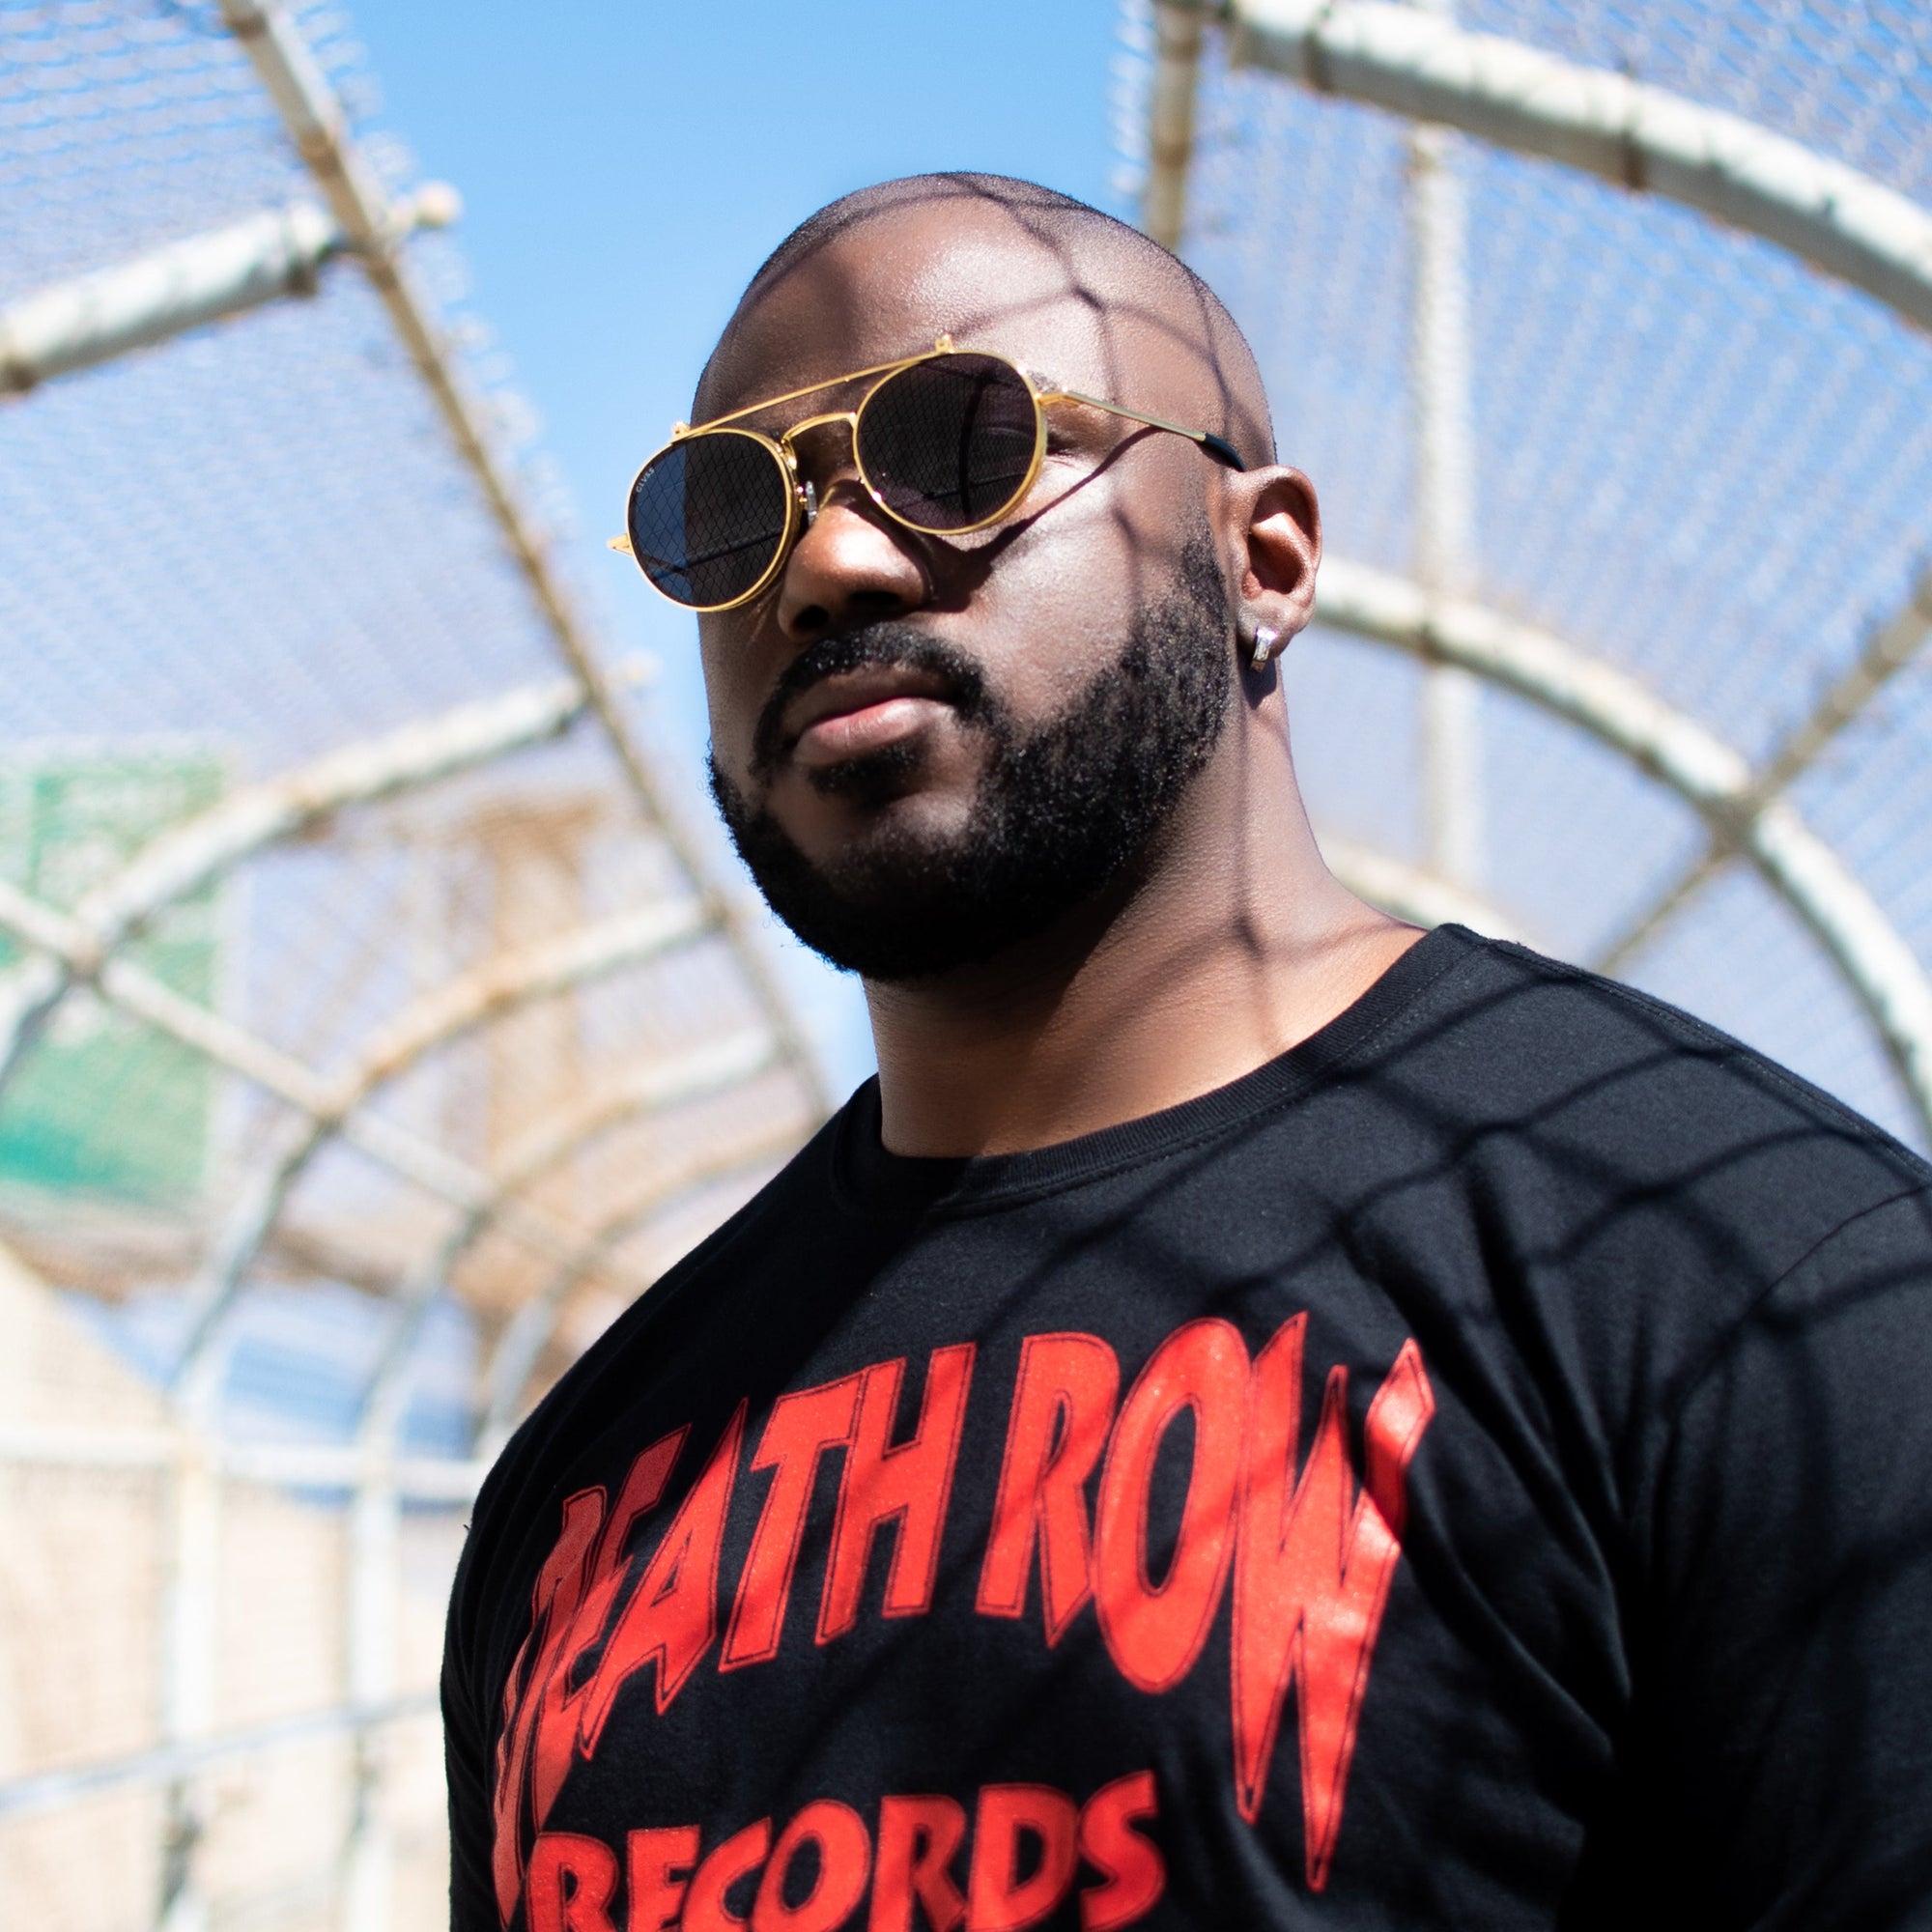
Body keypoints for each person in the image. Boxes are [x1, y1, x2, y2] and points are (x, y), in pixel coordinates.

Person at [443, 173, 1932, 1932]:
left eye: (962, 445)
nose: (832, 564)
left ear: (1262, 559)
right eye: (729, 511)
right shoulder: (590, 1478)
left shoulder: (1748, 1280)